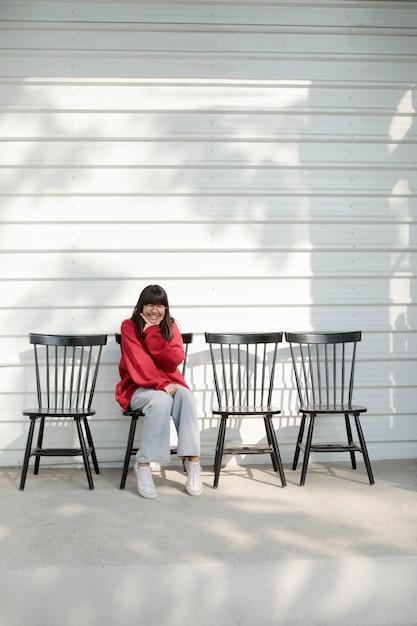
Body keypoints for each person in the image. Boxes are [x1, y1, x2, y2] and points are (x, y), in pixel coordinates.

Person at [115, 284, 203, 499]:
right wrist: (160, 383)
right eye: (150, 305)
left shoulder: (170, 326)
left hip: (169, 384)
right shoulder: (129, 326)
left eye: (160, 306)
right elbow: (138, 360)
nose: (155, 310)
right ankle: (144, 465)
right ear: (141, 307)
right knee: (161, 400)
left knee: (187, 397)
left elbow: (173, 360)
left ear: (166, 308)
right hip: (137, 387)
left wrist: (153, 332)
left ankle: (193, 463)